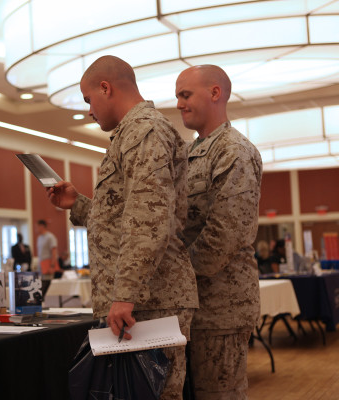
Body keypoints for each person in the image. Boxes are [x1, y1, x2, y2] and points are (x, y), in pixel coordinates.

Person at [48, 55, 198, 399]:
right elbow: (122, 216)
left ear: (106, 87)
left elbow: (148, 219)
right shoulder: (130, 134)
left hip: (150, 299)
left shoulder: (145, 131)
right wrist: (79, 204)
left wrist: (125, 294)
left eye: (89, 100)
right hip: (141, 299)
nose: (89, 111)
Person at [175, 64, 262, 399]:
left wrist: (172, 274)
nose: (179, 104)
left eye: (186, 95)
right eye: (178, 96)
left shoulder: (234, 151)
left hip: (221, 309)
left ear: (215, 93)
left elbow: (223, 238)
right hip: (189, 307)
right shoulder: (187, 154)